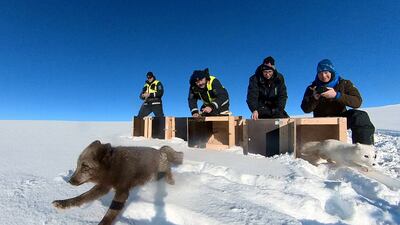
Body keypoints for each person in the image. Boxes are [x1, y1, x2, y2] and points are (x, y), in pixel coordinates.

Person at [301, 59, 375, 145]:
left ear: (331, 71)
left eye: (326, 72)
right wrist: (314, 98)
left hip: (341, 118)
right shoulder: (312, 88)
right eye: (320, 73)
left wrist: (337, 95)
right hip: (321, 121)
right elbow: (305, 109)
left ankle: (364, 150)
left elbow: (357, 102)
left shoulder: (345, 83)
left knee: (360, 116)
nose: (323, 76)